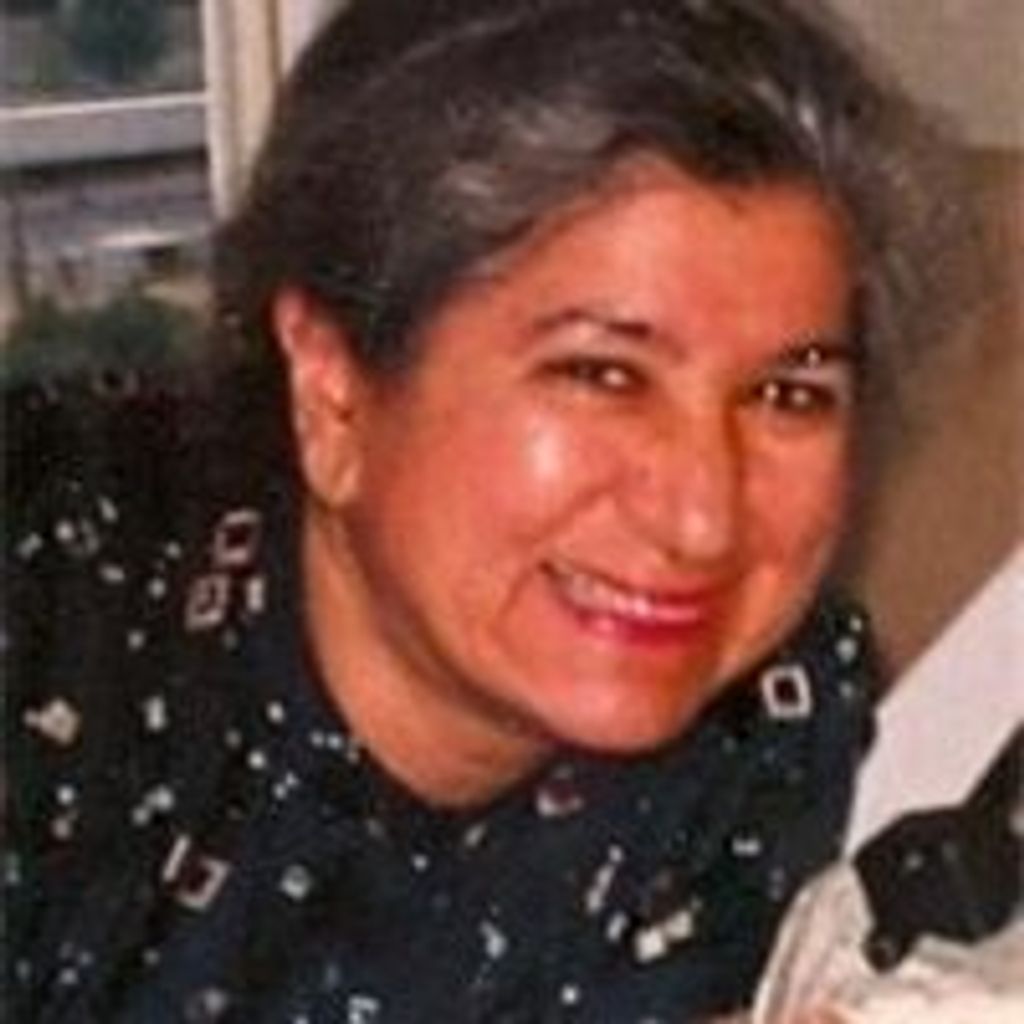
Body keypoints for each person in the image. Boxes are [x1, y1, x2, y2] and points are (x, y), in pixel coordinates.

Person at [4, 0, 966, 1020]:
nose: (703, 521)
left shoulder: (762, 723)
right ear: (332, 392)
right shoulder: (52, 655)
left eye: (787, 394)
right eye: (602, 374)